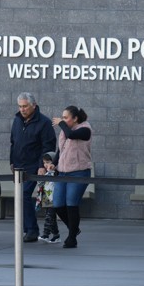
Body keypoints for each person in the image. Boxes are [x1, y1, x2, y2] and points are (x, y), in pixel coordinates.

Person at [9, 92, 56, 243]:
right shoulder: (17, 120)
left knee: (24, 195)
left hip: (34, 167)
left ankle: (31, 230)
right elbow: (13, 142)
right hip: (18, 167)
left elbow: (48, 146)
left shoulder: (44, 123)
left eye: (25, 106)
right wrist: (12, 162)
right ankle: (30, 229)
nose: (22, 109)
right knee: (21, 197)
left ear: (33, 106)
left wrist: (42, 165)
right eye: (20, 106)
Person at [51, 105, 93, 249]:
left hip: (79, 172)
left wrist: (61, 124)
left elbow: (71, 135)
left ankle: (71, 238)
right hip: (63, 172)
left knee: (71, 204)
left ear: (75, 119)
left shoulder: (85, 129)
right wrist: (54, 164)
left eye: (66, 117)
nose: (63, 120)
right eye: (62, 117)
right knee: (57, 204)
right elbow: (61, 149)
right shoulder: (65, 131)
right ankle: (74, 228)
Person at [35, 152, 60, 243]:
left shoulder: (56, 173)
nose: (46, 165)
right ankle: (56, 235)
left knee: (49, 216)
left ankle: (46, 234)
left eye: (48, 162)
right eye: (44, 163)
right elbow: (40, 184)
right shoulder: (45, 173)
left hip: (53, 198)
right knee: (50, 217)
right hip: (46, 198)